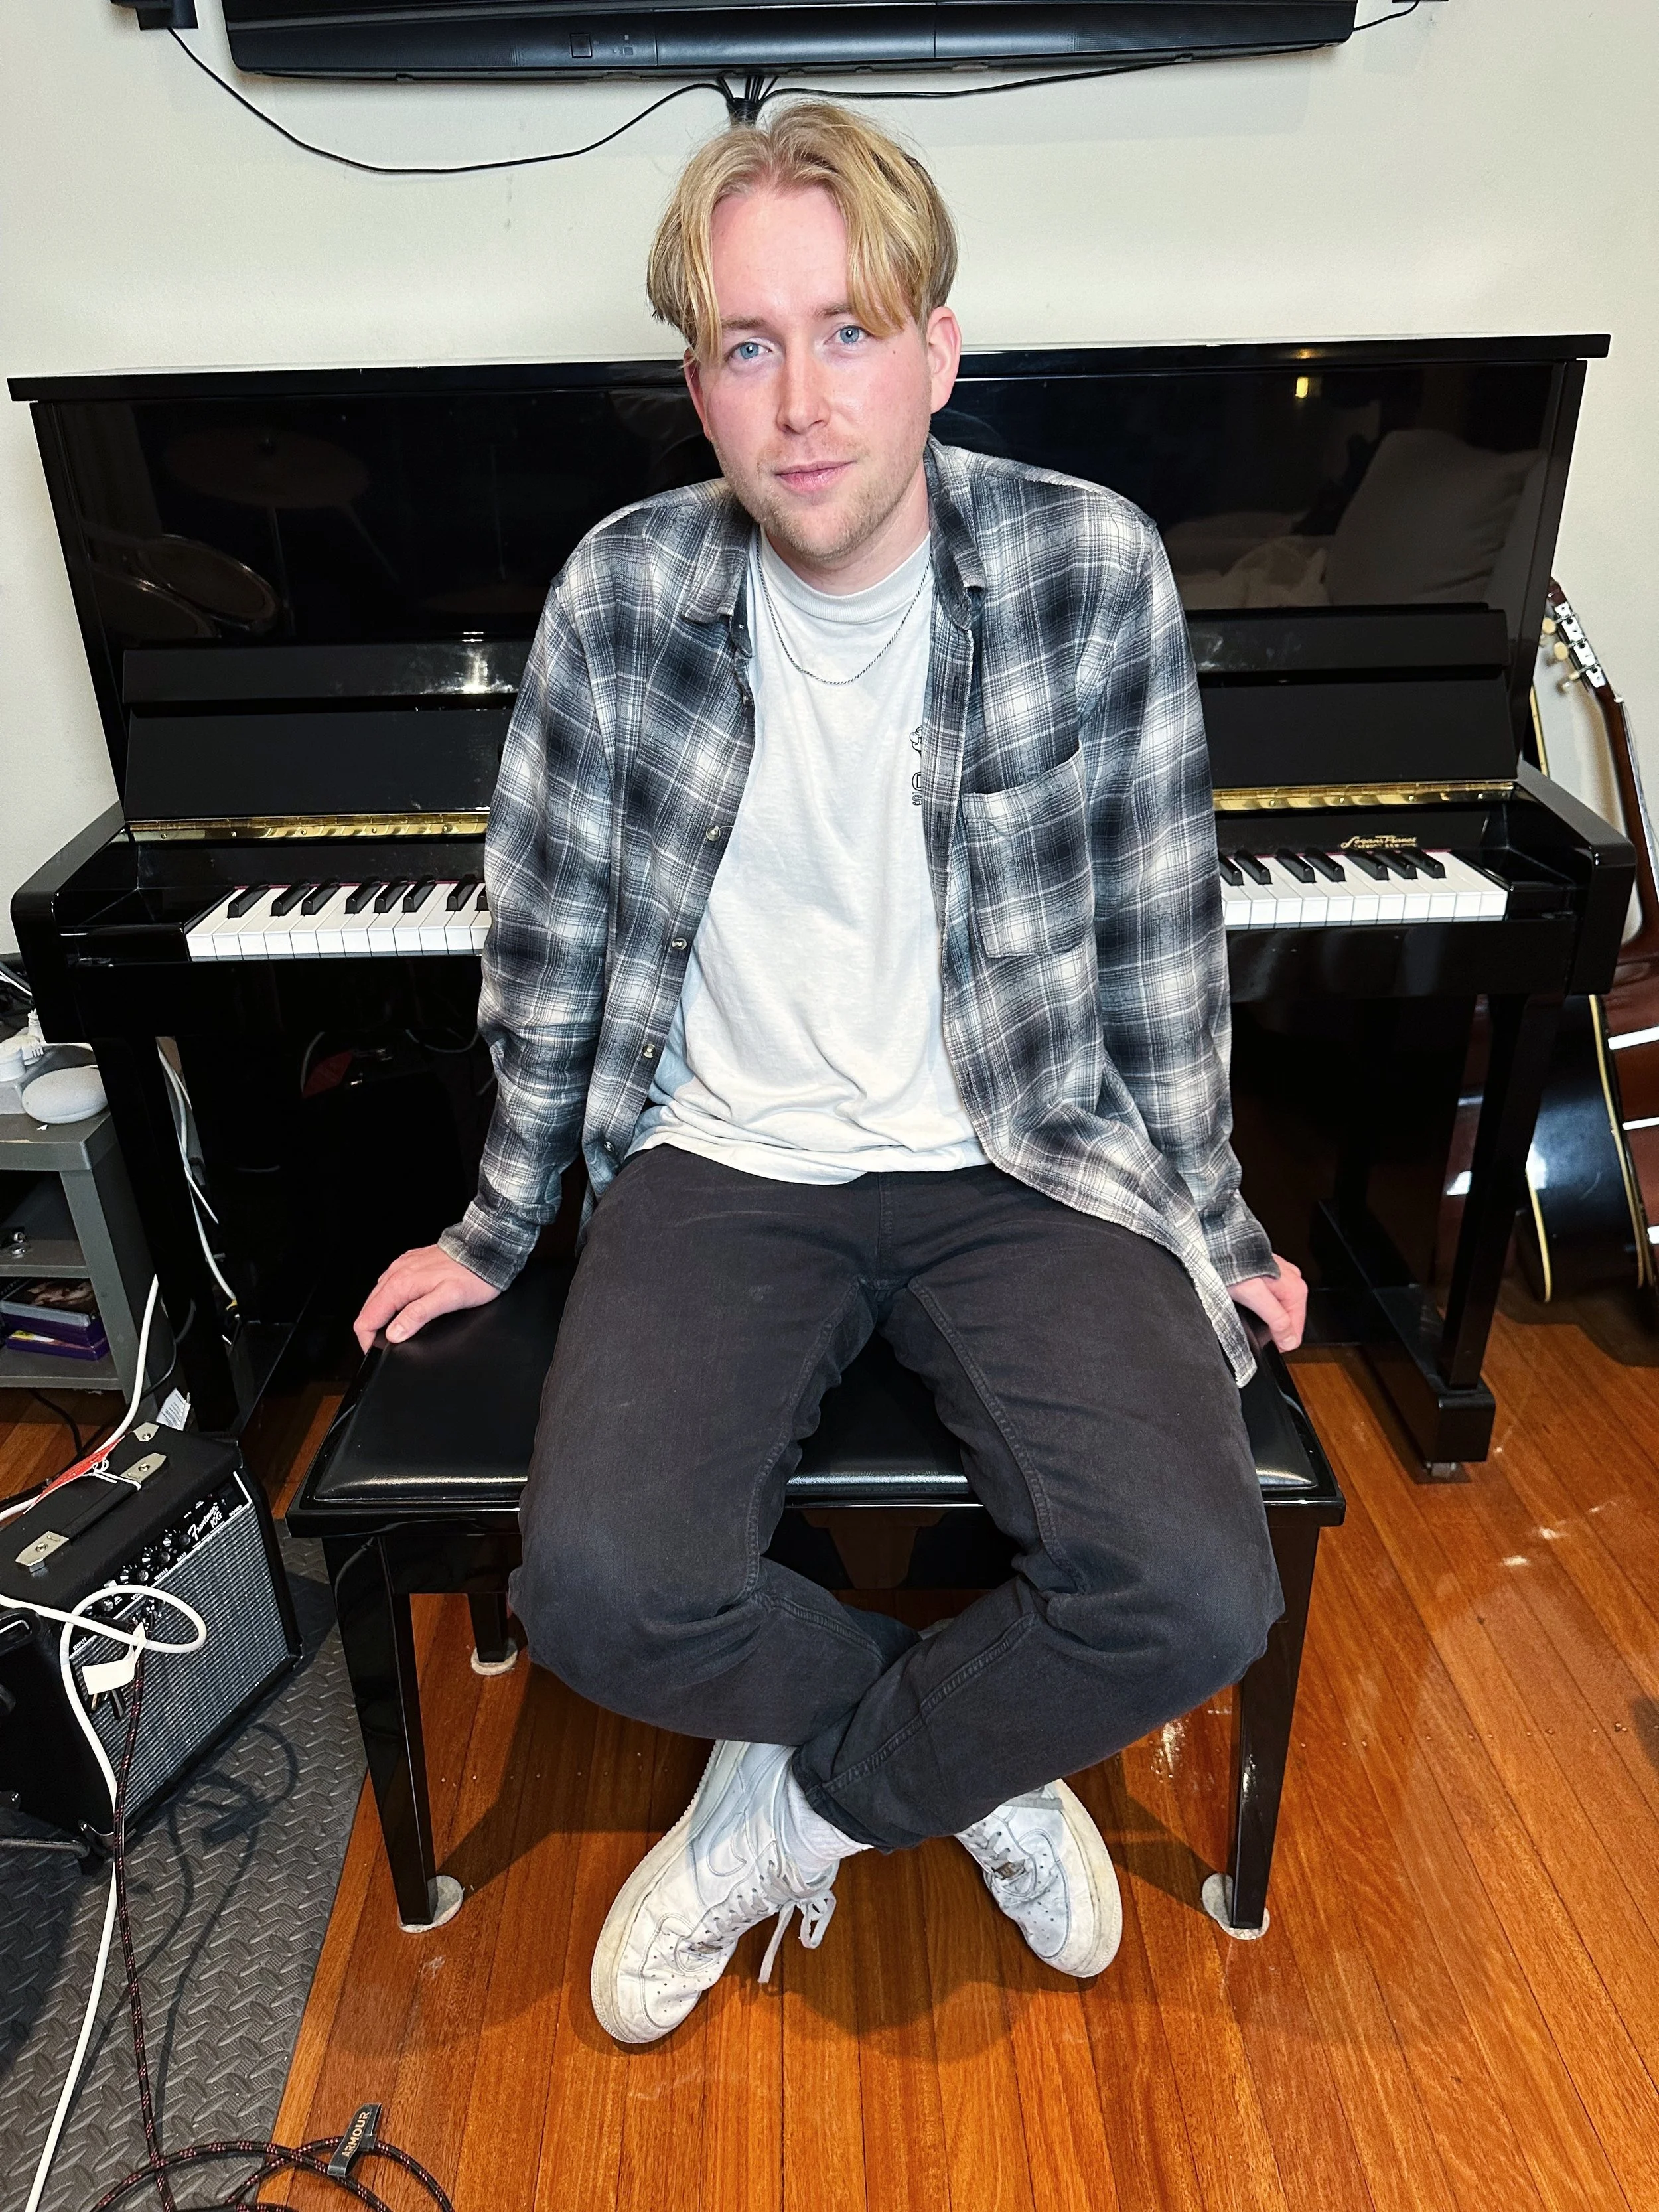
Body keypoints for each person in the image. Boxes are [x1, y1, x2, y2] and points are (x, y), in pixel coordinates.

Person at [354, 100, 1306, 2048]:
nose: (800, 403)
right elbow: (545, 941)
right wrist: (493, 1225)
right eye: (746, 346)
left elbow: (1161, 941)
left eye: (848, 332)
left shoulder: (1089, 567)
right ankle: (966, 1754)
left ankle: (810, 1801)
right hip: (720, 1163)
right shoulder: (623, 592)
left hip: (1020, 1150)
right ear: (696, 385)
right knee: (601, 1596)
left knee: (1199, 1593)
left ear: (937, 350)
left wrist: (1214, 1222)